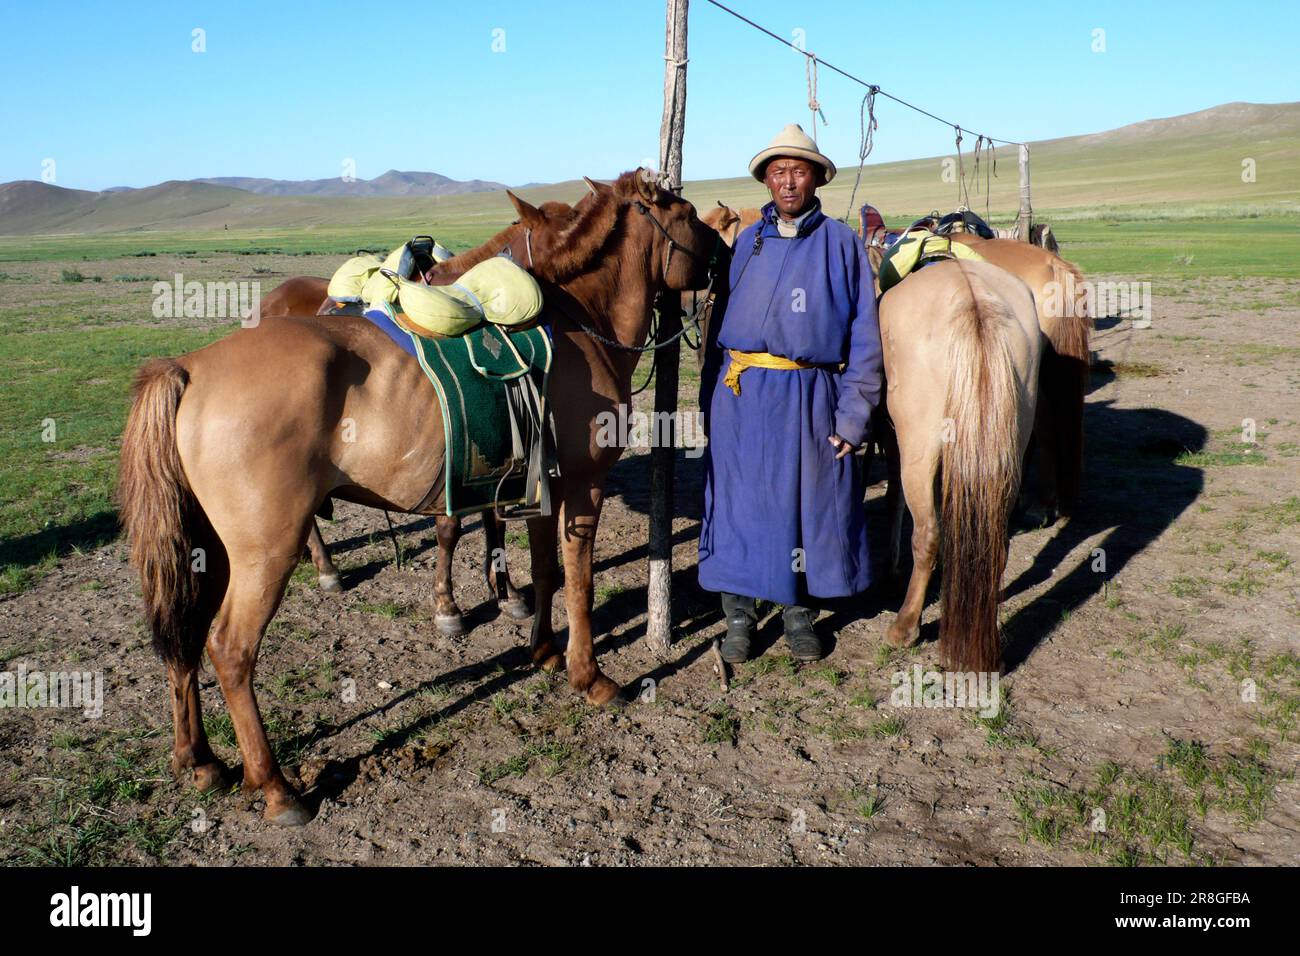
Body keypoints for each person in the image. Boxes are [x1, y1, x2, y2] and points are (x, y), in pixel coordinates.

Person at [698, 123, 884, 663]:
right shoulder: (746, 243)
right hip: (743, 392)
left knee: (805, 502)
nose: (787, 181)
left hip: (810, 392)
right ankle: (739, 614)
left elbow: (865, 340)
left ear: (815, 178)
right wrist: (712, 396)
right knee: (739, 502)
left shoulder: (841, 244)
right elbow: (715, 328)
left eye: (797, 171)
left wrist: (854, 416)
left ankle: (798, 610)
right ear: (766, 180)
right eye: (777, 171)